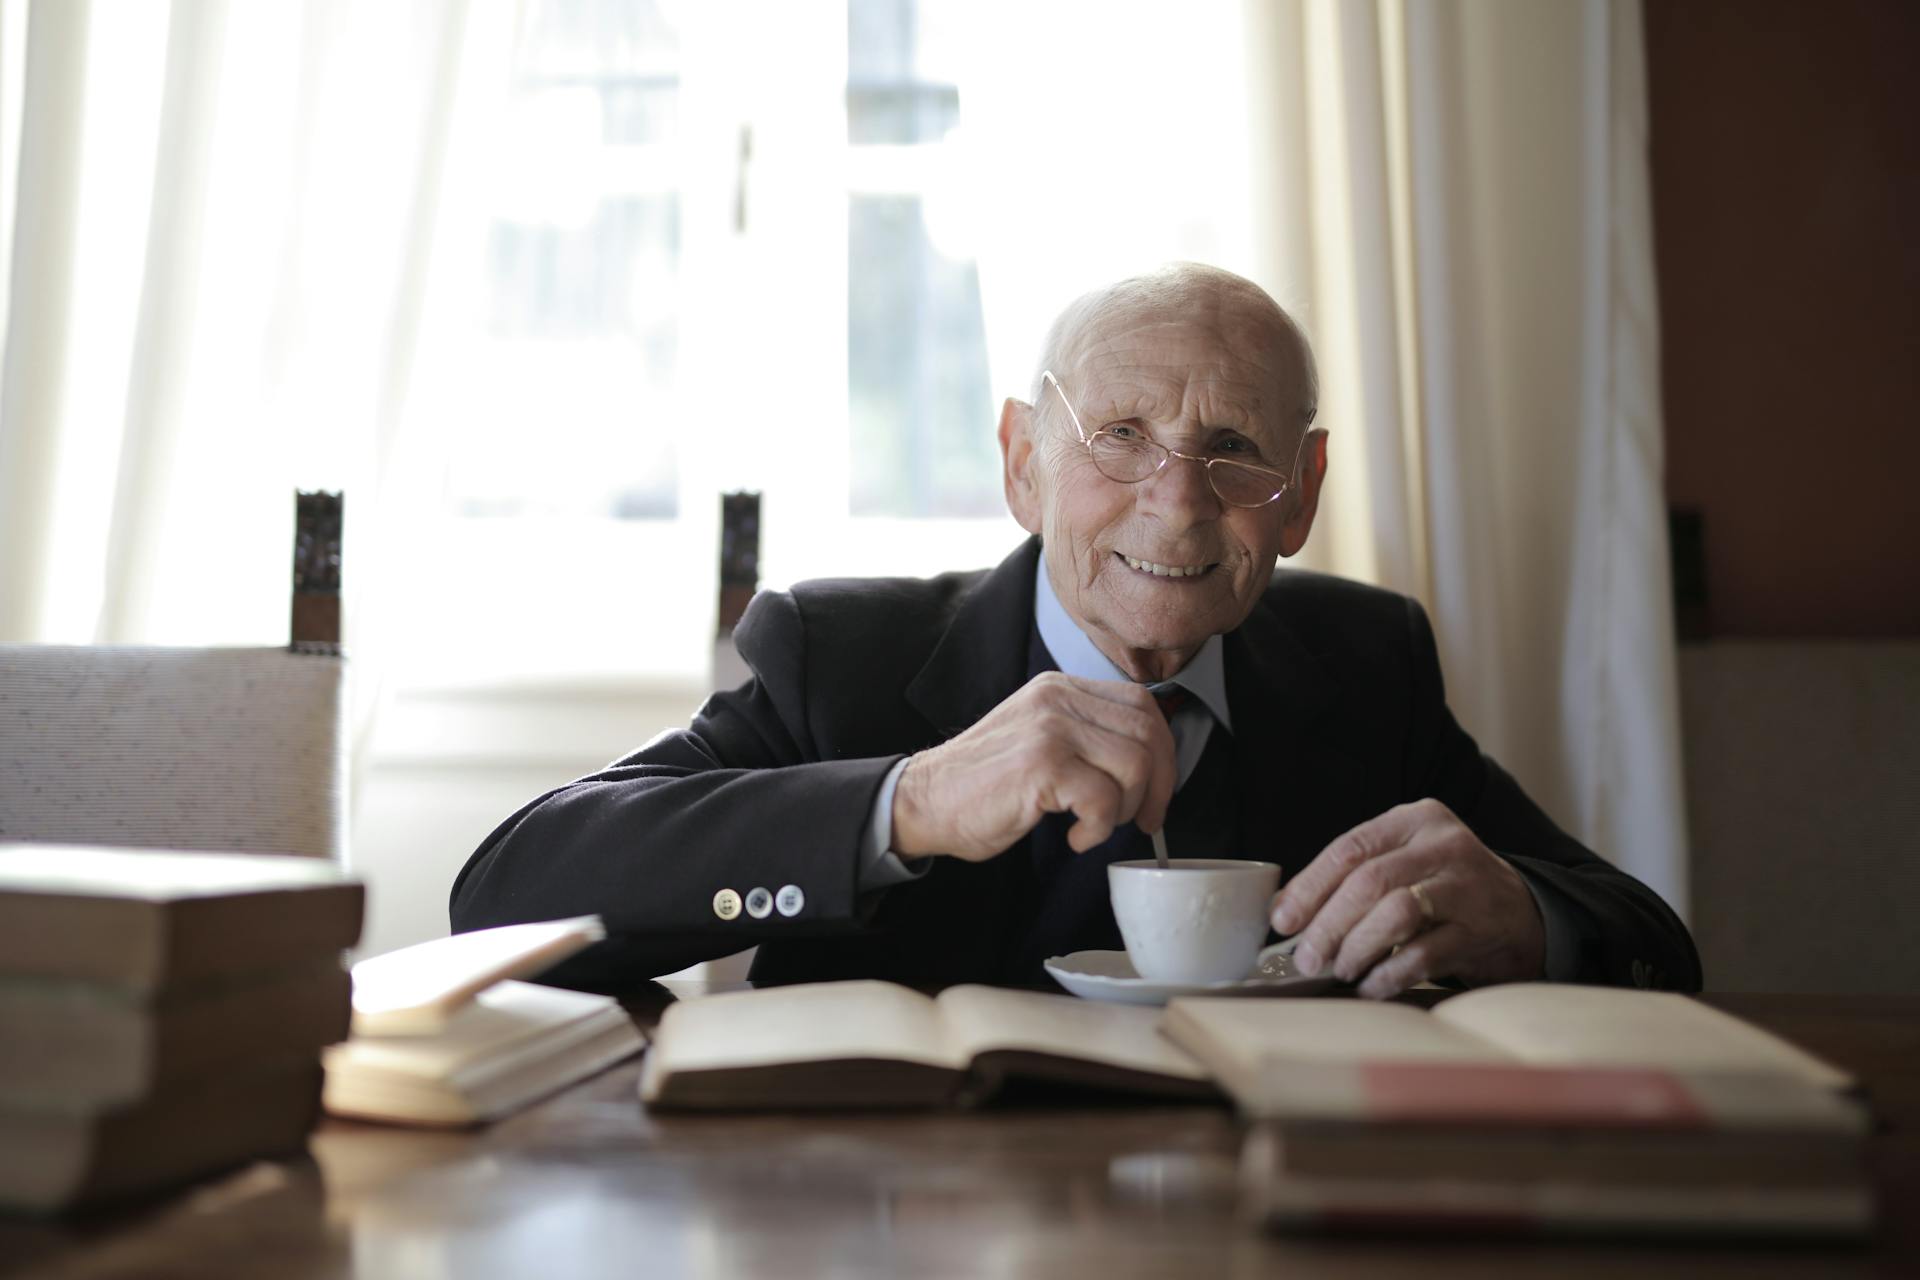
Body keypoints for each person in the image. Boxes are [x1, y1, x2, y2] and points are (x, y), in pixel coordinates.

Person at [450, 263, 1700, 999]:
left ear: (1304, 494)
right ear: (1023, 462)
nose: (1178, 498)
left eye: (1234, 449)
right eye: (1120, 436)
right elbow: (505, 894)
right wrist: (909, 801)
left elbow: (1650, 938)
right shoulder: (845, 661)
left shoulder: (1366, 665)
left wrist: (1533, 919)